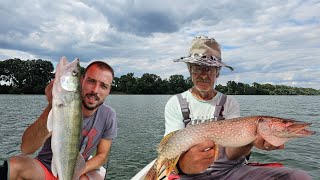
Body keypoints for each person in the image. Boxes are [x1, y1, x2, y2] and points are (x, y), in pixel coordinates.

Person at [164, 36, 312, 179]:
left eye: (209, 69)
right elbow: (170, 150)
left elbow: (232, 154)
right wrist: (183, 166)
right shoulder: (175, 103)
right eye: (198, 68)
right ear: (190, 70)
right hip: (191, 175)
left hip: (229, 171)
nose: (204, 75)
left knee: (299, 177)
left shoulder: (229, 102)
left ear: (218, 72)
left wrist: (250, 142)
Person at [0, 60, 117, 180]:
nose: (95, 90)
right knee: (15, 166)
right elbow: (26, 148)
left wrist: (78, 172)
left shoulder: (109, 115)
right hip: (45, 167)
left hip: (76, 172)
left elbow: (102, 155)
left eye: (103, 86)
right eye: (91, 81)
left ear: (109, 91)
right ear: (81, 81)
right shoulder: (60, 103)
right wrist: (52, 105)